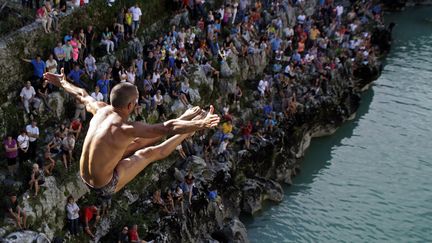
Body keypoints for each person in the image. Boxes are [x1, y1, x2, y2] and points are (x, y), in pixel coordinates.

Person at [44, 69, 219, 200]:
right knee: (149, 153)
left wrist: (63, 83)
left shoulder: (99, 109)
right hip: (104, 185)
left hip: (85, 176)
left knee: (138, 142)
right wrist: (201, 124)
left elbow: (82, 94)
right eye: (135, 103)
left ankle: (187, 123)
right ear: (129, 106)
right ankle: (189, 131)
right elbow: (167, 127)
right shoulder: (125, 127)